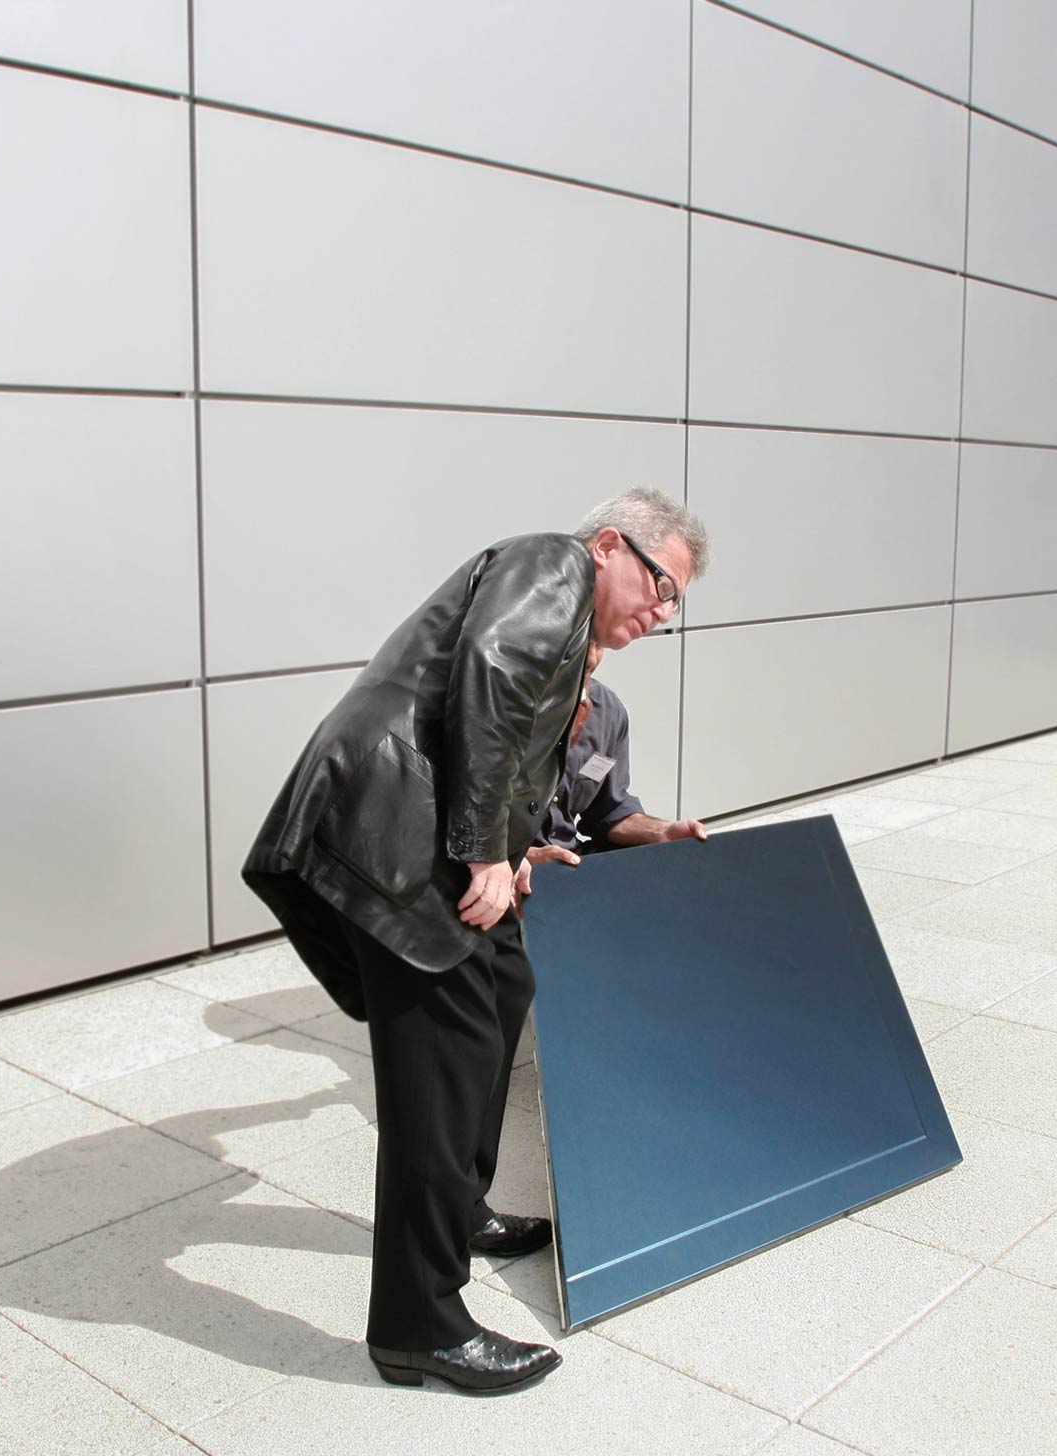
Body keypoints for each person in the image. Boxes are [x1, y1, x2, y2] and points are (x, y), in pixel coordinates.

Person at [243, 488, 709, 1395]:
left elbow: (508, 741)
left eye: (673, 604)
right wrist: (482, 851)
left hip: (419, 829)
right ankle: (420, 1324)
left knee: (501, 992)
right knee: (441, 1058)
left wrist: (517, 844)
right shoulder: (554, 563)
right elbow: (489, 681)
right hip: (393, 833)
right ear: (611, 544)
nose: (662, 613)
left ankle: (459, 1211)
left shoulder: (576, 635)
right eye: (663, 587)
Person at [527, 640, 707, 870]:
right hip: (495, 876)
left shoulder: (608, 712)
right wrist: (524, 859)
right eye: (581, 642)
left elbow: (610, 811)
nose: (592, 659)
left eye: (598, 644)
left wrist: (662, 832)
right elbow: (470, 830)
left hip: (569, 865)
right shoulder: (494, 707)